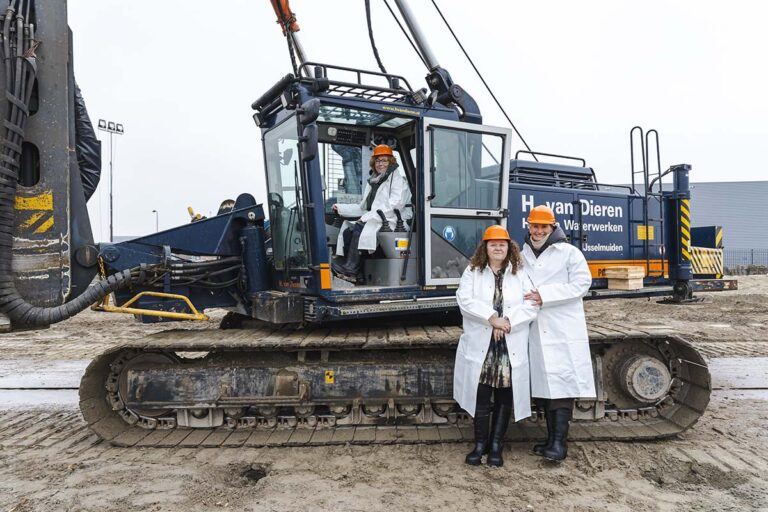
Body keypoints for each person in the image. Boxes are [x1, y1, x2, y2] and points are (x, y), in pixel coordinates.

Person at [454, 225, 539, 467]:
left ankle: (495, 447)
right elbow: (464, 299)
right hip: (483, 341)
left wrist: (508, 322)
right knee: (481, 395)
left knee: (504, 396)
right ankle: (479, 444)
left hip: (509, 343)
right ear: (486, 247)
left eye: (502, 244)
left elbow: (532, 304)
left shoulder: (519, 272)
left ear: (509, 247)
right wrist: (491, 318)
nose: (498, 247)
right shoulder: (473, 271)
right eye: (493, 244)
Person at [522, 205, 596, 462]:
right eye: (535, 226)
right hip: (534, 327)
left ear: (553, 228)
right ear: (528, 226)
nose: (539, 230)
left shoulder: (569, 253)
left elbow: (582, 284)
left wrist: (546, 295)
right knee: (543, 386)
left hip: (561, 327)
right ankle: (550, 438)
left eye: (544, 226)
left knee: (561, 385)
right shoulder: (522, 255)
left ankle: (559, 444)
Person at [331, 144, 410, 283]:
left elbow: (395, 204)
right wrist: (340, 208)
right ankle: (358, 274)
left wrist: (369, 216)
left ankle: (351, 268)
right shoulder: (374, 181)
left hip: (394, 219)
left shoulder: (397, 180)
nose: (380, 164)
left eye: (384, 160)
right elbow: (364, 208)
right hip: (379, 218)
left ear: (391, 162)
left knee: (360, 227)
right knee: (348, 230)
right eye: (378, 161)